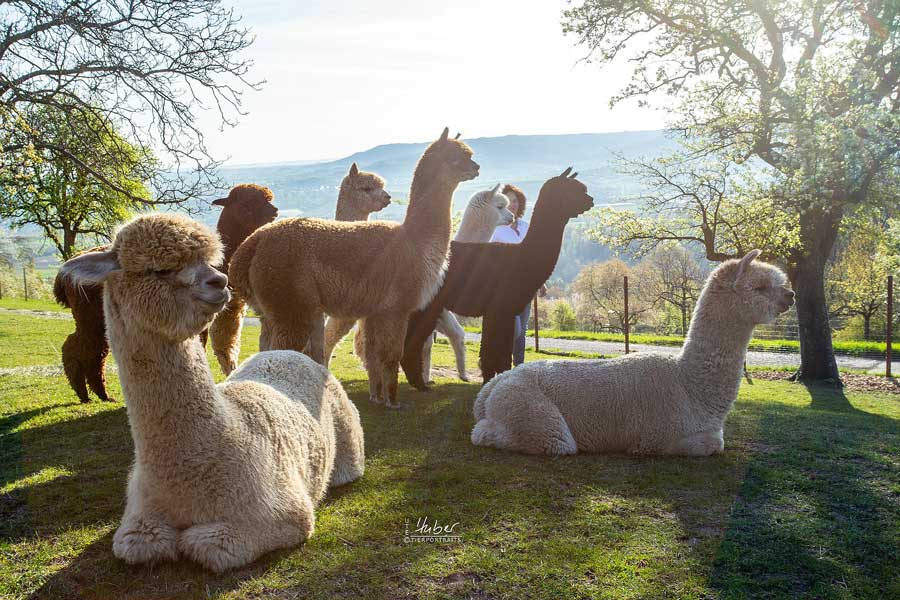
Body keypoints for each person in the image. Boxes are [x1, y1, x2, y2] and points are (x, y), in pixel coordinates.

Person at [490, 184, 545, 366]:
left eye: (515, 201)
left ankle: (518, 368)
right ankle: (500, 363)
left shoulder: (526, 227)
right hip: (504, 288)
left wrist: (541, 281)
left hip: (525, 288)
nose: (512, 204)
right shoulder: (495, 229)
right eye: (508, 201)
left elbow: (533, 257)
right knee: (514, 328)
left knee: (522, 331)